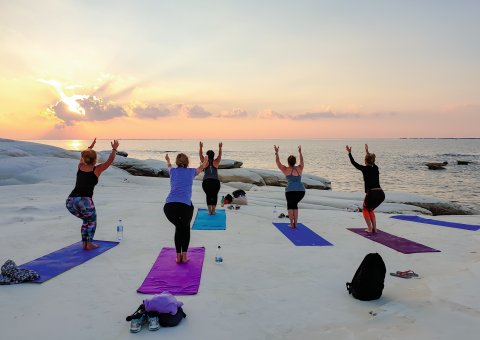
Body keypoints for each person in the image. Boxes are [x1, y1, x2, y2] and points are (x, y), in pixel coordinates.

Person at [66, 138, 119, 250]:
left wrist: (90, 147)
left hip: (71, 201)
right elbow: (109, 161)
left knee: (86, 220)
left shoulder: (80, 166)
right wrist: (114, 149)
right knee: (92, 221)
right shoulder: (96, 170)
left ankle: (85, 243)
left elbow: (82, 157)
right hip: (85, 201)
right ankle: (88, 244)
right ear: (95, 160)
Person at [164, 153, 209, 263]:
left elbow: (169, 166)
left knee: (178, 228)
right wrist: (205, 160)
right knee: (185, 228)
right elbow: (202, 167)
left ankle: (178, 256)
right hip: (184, 206)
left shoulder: (173, 171)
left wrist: (168, 160)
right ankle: (184, 256)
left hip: (169, 206)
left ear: (177, 162)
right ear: (187, 162)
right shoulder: (191, 172)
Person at [346, 144, 385, 233]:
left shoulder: (364, 168)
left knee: (365, 209)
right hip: (381, 194)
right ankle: (374, 228)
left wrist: (349, 153)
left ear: (365, 161)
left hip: (372, 193)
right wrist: (367, 152)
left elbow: (354, 163)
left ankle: (370, 229)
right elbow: (371, 160)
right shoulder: (376, 168)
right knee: (370, 209)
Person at [274, 145, 305, 228]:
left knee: (290, 206)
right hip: (301, 191)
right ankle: (296, 224)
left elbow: (278, 163)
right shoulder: (300, 168)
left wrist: (276, 153)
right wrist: (300, 152)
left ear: (288, 162)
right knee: (295, 205)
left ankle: (292, 224)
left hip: (290, 191)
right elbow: (302, 161)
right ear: (295, 162)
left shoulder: (285, 169)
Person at [199, 141, 223, 215]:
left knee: (208, 195)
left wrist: (200, 147)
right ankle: (213, 210)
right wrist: (220, 147)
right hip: (215, 182)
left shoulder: (204, 162)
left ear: (207, 156)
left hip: (206, 182)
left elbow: (200, 155)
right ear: (213, 155)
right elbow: (220, 155)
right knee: (214, 195)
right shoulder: (216, 162)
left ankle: (209, 211)